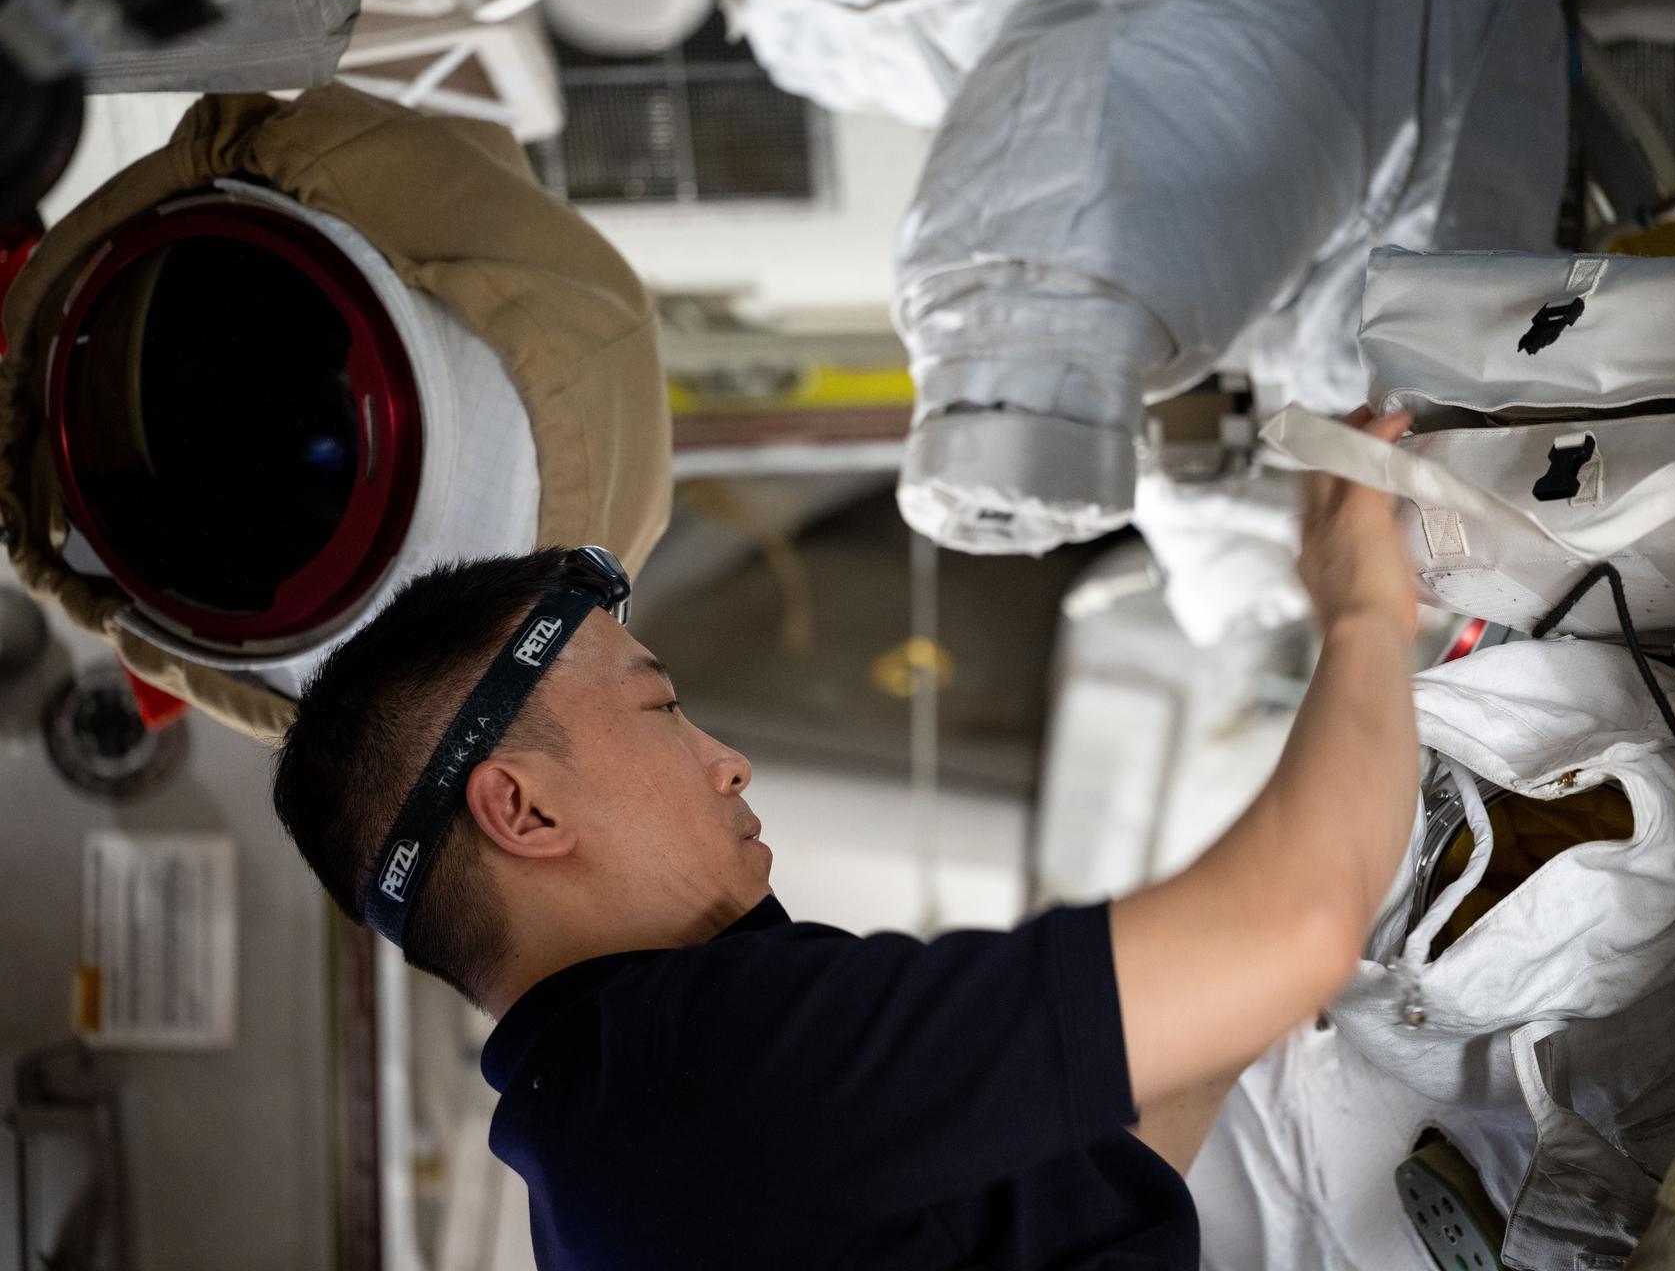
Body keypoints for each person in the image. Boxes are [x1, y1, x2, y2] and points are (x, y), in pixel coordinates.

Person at [270, 408, 1421, 1269]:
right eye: (661, 710)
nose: (727, 759)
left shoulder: (606, 1154)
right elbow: (1296, 922)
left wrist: (1252, 983)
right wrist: (1366, 607)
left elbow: (1092, 1168)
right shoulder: (695, 1071)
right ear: (523, 810)